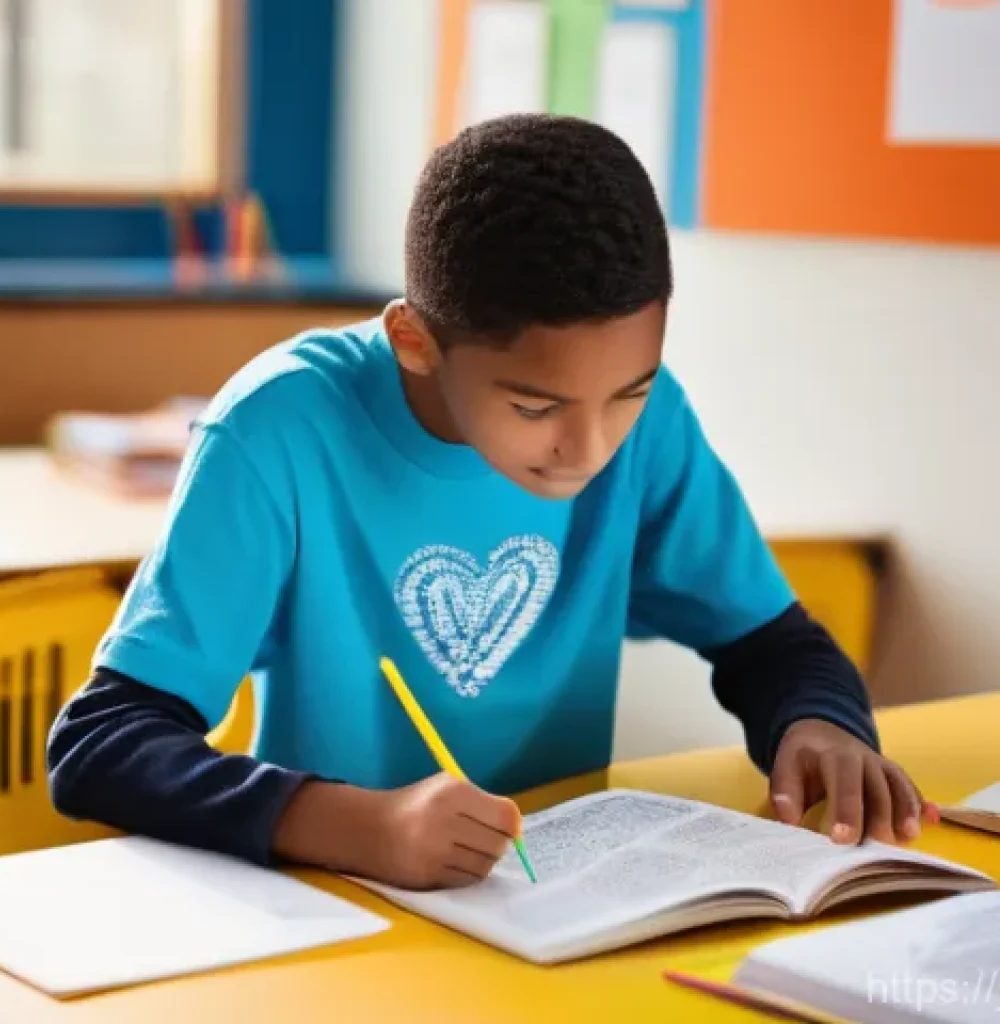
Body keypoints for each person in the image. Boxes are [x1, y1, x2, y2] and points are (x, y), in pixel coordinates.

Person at [46, 114, 936, 892]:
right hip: (331, 909)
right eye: (535, 406)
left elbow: (771, 641)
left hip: (553, 902)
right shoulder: (277, 432)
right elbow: (101, 745)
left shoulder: (648, 423)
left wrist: (820, 720)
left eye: (628, 391)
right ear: (415, 341)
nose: (588, 451)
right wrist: (362, 826)